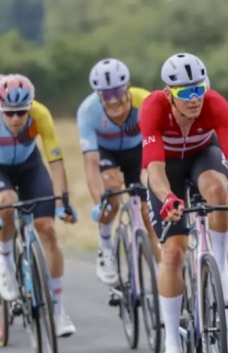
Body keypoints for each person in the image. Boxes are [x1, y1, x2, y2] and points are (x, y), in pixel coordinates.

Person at [142, 53, 228, 353]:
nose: (195, 100)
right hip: (167, 171)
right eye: (185, 93)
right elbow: (153, 168)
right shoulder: (153, 108)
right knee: (173, 253)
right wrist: (166, 198)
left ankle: (220, 271)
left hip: (202, 157)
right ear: (169, 94)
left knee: (218, 192)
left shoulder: (215, 104)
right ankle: (172, 346)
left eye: (199, 90)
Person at [0, 74, 79, 337]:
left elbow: (55, 161)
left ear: (30, 106)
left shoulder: (41, 114)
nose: (15, 119)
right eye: (9, 113)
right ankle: (7, 263)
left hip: (30, 166)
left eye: (21, 112)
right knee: (7, 203)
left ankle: (57, 311)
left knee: (47, 229)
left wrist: (61, 201)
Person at [77, 58, 160, 285]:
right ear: (98, 95)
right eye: (105, 94)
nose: (113, 99)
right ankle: (105, 248)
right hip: (106, 153)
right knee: (111, 190)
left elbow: (159, 145)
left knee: (147, 213)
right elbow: (91, 164)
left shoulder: (146, 101)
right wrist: (99, 202)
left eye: (117, 91)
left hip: (138, 150)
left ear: (128, 87)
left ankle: (162, 275)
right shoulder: (88, 111)